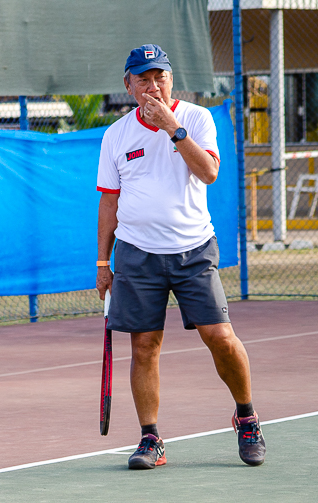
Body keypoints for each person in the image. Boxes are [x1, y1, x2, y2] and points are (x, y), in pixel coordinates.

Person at [95, 44, 266, 470]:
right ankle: (150, 439)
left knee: (220, 337)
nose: (153, 86)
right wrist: (102, 264)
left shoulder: (197, 118)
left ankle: (247, 418)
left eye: (161, 77)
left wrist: (172, 127)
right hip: (136, 254)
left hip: (194, 251)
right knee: (144, 347)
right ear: (129, 85)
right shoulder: (115, 135)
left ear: (171, 79)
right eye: (144, 79)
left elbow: (209, 172)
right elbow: (109, 202)